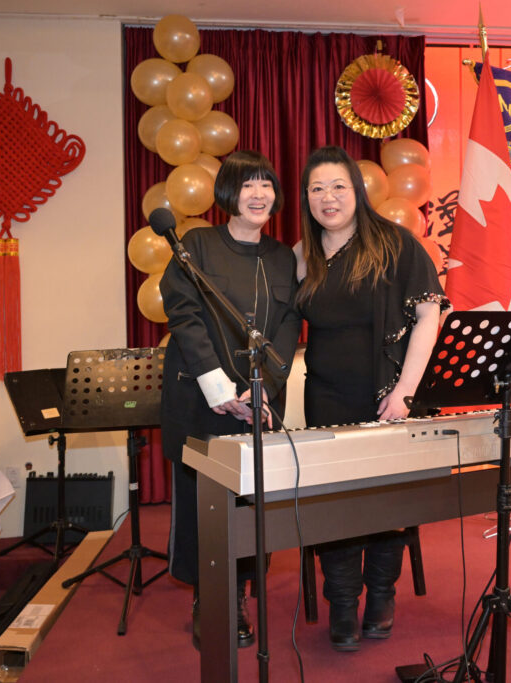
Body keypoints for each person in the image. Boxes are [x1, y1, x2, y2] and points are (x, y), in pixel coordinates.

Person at [295, 145, 447, 651]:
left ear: (357, 191)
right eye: (317, 188)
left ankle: (381, 595)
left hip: (389, 398)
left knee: (387, 503)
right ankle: (342, 601)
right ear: (306, 198)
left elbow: (428, 316)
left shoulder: (395, 243)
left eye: (338, 186)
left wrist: (405, 392)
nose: (328, 197)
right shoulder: (302, 255)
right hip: (326, 398)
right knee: (334, 505)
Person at [160, 150, 301, 650]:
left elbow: (288, 327)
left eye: (266, 185)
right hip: (201, 398)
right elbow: (184, 316)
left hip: (256, 402)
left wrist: (265, 390)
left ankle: (237, 592)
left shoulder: (282, 257)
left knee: (249, 502)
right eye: (247, 185)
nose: (259, 194)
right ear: (227, 193)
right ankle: (208, 598)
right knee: (202, 504)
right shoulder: (196, 245)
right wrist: (219, 387)